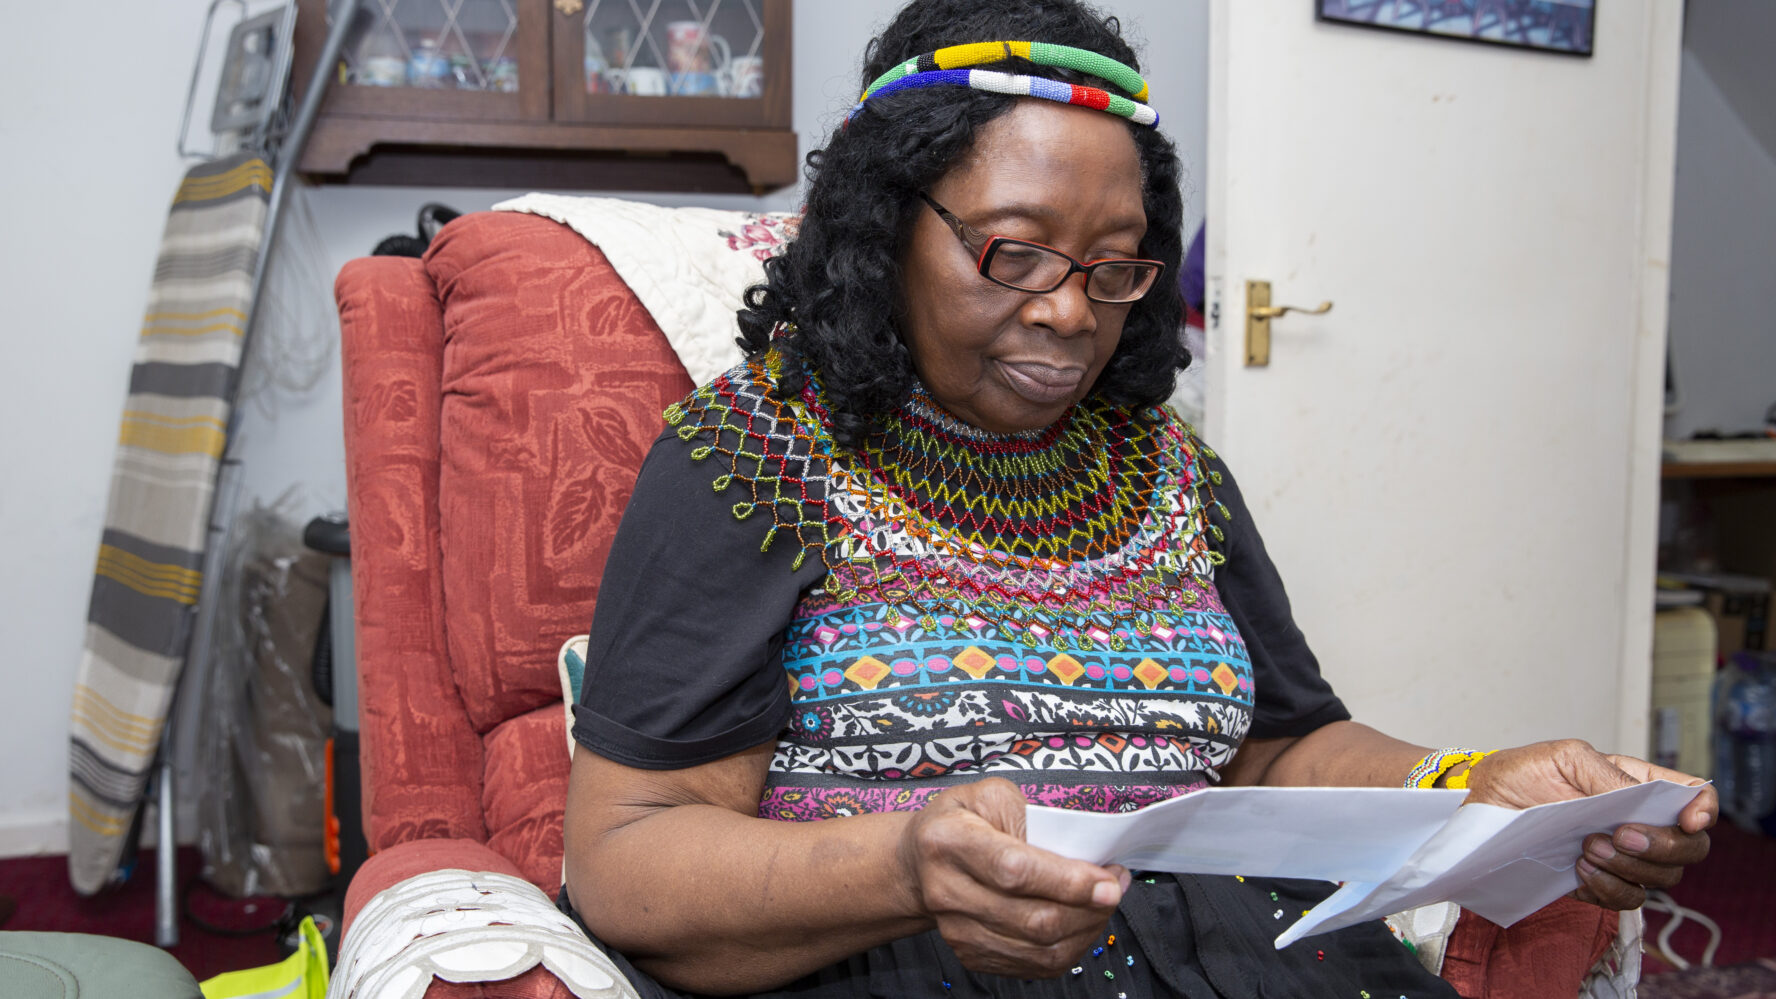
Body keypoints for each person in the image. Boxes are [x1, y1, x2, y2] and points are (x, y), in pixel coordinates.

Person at [559, 2, 1715, 996]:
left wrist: (1475, 786)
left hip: (1241, 956)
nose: (1071, 312)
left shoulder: (1168, 469)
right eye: (1014, 252)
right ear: (886, 228)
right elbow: (623, 861)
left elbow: (1283, 749)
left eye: (1113, 267)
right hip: (900, 961)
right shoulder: (755, 458)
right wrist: (907, 867)